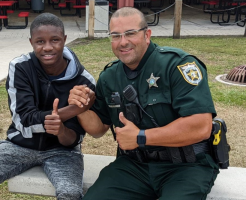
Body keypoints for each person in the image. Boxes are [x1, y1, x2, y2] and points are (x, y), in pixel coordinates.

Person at [68, 7, 219, 200]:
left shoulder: (177, 66)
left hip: (186, 166)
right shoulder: (109, 77)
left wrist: (141, 137)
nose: (123, 42)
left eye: (130, 33)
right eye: (115, 36)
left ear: (147, 35)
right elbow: (98, 129)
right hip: (134, 166)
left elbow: (200, 126)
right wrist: (81, 108)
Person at [0, 13, 95, 200]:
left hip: (62, 152)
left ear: (65, 40)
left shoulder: (84, 81)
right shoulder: (20, 67)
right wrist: (71, 111)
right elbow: (24, 119)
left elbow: (74, 138)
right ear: (31, 42)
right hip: (19, 144)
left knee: (70, 193)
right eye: (40, 41)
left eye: (55, 40)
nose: (47, 47)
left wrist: (61, 129)